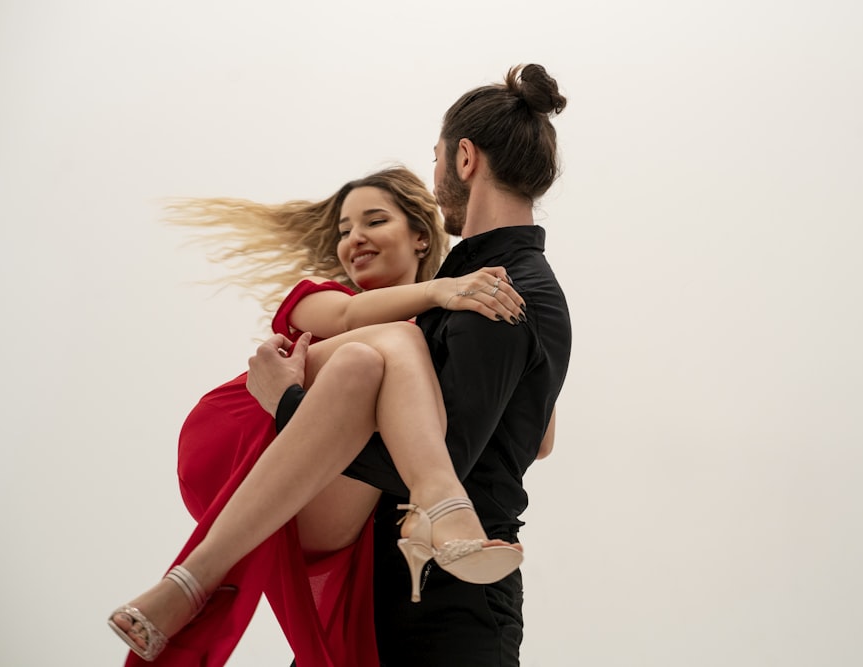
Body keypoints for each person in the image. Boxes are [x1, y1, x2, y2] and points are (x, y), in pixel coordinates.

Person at [107, 166, 529, 666]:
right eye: (345, 230)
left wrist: (524, 356)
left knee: (368, 359)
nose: (355, 239)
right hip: (245, 434)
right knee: (385, 344)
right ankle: (440, 505)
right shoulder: (319, 296)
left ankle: (191, 585)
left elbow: (533, 441)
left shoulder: (444, 335)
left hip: (320, 498)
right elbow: (352, 320)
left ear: (421, 236)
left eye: (373, 221)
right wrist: (442, 290)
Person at [250, 63, 571, 666]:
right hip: (387, 602)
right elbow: (534, 437)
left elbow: (439, 465)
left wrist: (288, 406)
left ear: (466, 159)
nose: (435, 175)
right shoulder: (482, 286)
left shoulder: (493, 293)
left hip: (446, 613)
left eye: (437, 158)